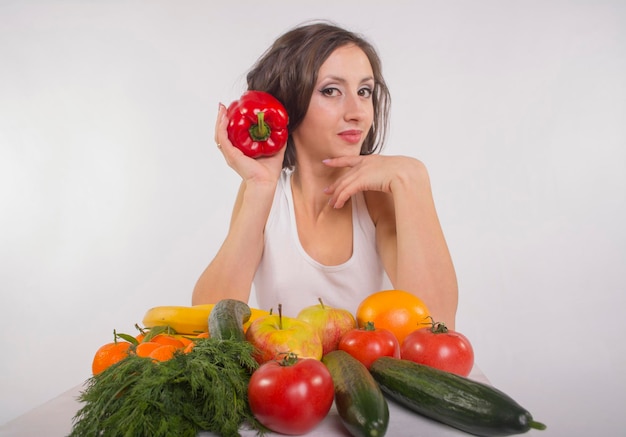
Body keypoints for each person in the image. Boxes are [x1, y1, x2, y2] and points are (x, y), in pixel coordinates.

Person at [192, 21, 458, 328]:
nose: (357, 112)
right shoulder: (266, 196)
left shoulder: (377, 200)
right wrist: (259, 186)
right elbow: (208, 324)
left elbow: (438, 325)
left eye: (364, 91)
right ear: (288, 103)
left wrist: (413, 178)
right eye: (331, 91)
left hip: (366, 374)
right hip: (288, 374)